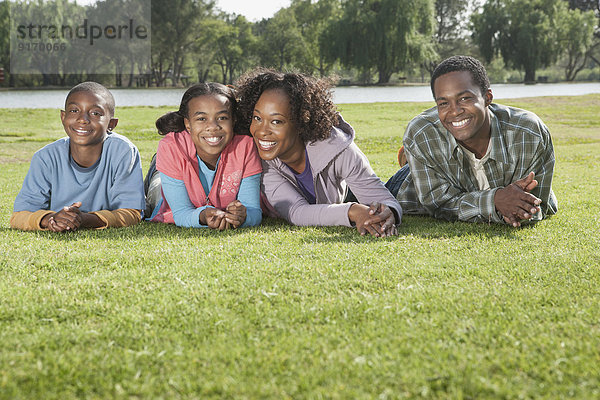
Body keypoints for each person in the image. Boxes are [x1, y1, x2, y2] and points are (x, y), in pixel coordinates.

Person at [387, 55, 558, 227]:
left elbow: (535, 207)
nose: (455, 111)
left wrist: (513, 208)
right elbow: (439, 205)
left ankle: (411, 161)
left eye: (464, 99)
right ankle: (411, 164)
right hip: (409, 186)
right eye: (444, 103)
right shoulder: (422, 134)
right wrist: (496, 200)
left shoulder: (528, 133)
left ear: (488, 97)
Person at [235, 69, 402, 237]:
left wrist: (386, 214)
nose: (262, 131)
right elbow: (296, 211)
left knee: (399, 186)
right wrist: (353, 211)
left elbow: (383, 199)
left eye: (276, 121)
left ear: (301, 122)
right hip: (274, 208)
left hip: (346, 194)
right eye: (257, 118)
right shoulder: (260, 159)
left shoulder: (338, 148)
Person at [10, 81, 145, 231]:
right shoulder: (45, 157)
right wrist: (50, 220)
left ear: (111, 124)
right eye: (74, 111)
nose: (83, 119)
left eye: (95, 113)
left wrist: (84, 219)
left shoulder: (123, 151)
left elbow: (132, 213)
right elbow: (19, 216)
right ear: (63, 116)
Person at [147, 83, 262, 230]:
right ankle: (155, 166)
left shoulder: (245, 147)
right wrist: (202, 217)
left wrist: (243, 216)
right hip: (164, 184)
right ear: (188, 124)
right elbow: (181, 213)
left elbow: (253, 210)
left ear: (233, 120)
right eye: (202, 119)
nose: (213, 126)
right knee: (157, 187)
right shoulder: (171, 147)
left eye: (222, 117)